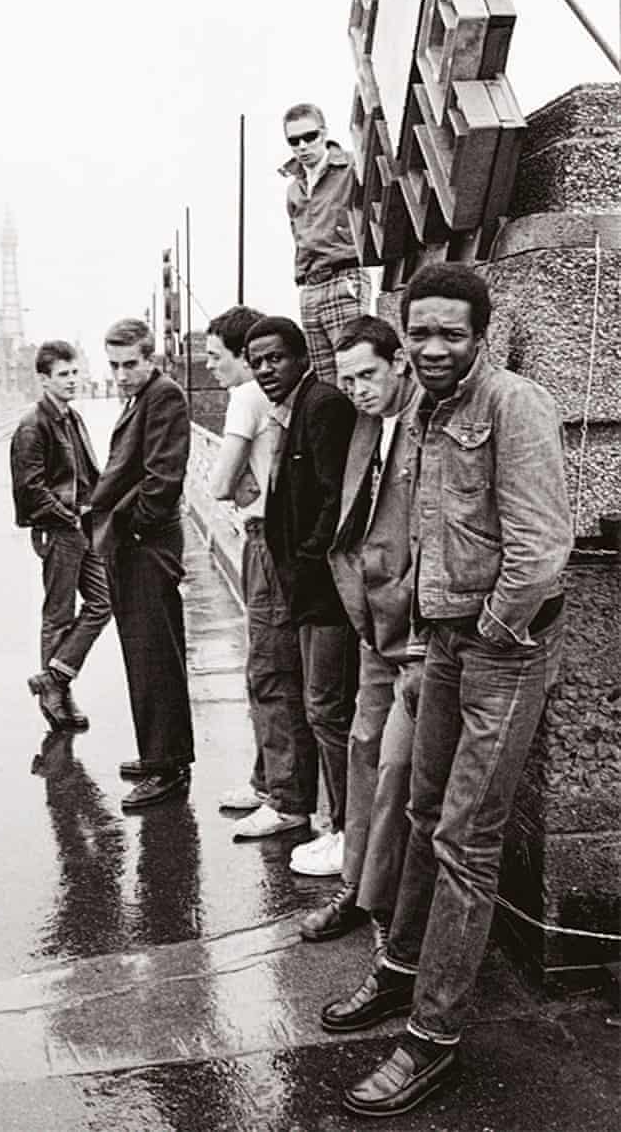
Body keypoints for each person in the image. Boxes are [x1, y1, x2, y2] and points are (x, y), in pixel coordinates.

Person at [321, 264, 573, 1119]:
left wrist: (495, 631)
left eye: (450, 334)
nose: (432, 348)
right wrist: (430, 633)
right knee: (426, 817)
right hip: (445, 643)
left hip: (500, 648)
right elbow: (429, 535)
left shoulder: (513, 404)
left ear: (481, 336)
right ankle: (400, 971)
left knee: (467, 841)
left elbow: (542, 547)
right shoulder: (424, 411)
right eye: (420, 332)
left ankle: (435, 1035)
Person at [297, 316, 422, 936]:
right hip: (376, 627)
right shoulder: (367, 425)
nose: (357, 390)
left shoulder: (429, 420)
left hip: (423, 637)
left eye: (368, 375)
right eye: (347, 379)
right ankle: (358, 891)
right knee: (365, 752)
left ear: (400, 361)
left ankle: (395, 916)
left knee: (404, 772)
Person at [237, 316, 356, 849]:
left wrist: (306, 566)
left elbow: (336, 501)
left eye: (275, 358)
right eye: (257, 361)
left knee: (328, 710)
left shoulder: (323, 406)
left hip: (325, 595)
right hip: (308, 589)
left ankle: (345, 830)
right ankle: (333, 824)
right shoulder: (294, 411)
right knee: (319, 707)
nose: (265, 369)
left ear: (302, 357)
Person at [205, 305, 306, 820]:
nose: (209, 366)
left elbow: (221, 484)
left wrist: (238, 480)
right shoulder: (276, 401)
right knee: (274, 664)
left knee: (268, 668)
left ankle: (284, 798)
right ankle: (268, 780)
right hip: (275, 538)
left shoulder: (246, 397)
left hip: (265, 540)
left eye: (217, 355)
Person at [90, 318, 195, 811]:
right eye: (114, 366)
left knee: (155, 655)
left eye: (131, 363)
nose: (122, 374)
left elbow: (163, 477)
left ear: (151, 358)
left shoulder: (164, 395)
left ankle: (166, 765)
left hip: (145, 544)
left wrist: (132, 528)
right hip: (134, 543)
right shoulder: (141, 397)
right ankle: (159, 753)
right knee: (144, 652)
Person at [10, 340, 110, 731]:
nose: (73, 381)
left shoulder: (72, 417)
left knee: (103, 603)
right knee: (58, 614)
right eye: (64, 375)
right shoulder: (33, 425)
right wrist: (66, 517)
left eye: (75, 372)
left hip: (84, 526)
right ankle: (56, 696)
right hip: (60, 529)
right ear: (44, 380)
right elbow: (30, 486)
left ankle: (55, 677)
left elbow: (89, 472)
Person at [280, 102, 371, 386]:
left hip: (344, 276)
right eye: (294, 141)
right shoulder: (294, 187)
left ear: (324, 133)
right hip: (310, 286)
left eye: (310, 136)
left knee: (357, 372)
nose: (303, 146)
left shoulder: (352, 167)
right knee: (326, 382)